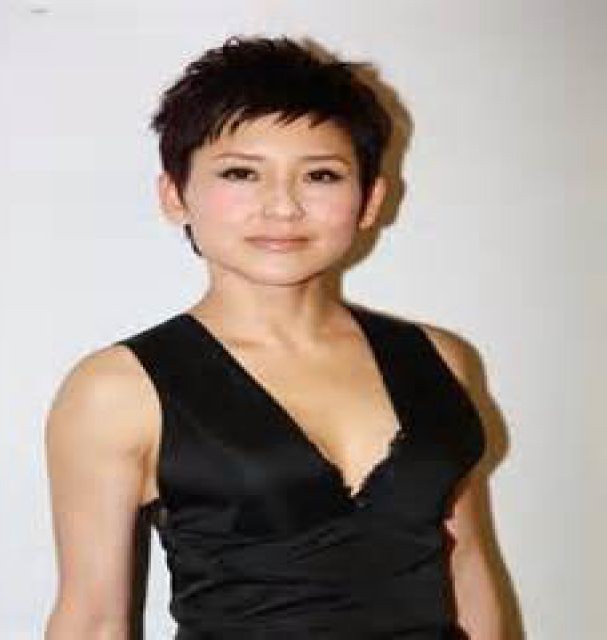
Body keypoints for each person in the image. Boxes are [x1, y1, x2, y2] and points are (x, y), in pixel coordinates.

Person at [45, 36, 503, 639]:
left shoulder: (442, 359)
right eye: (241, 173)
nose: (282, 207)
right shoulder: (116, 390)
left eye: (320, 175)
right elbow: (94, 620)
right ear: (175, 195)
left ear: (370, 200)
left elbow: (466, 564)